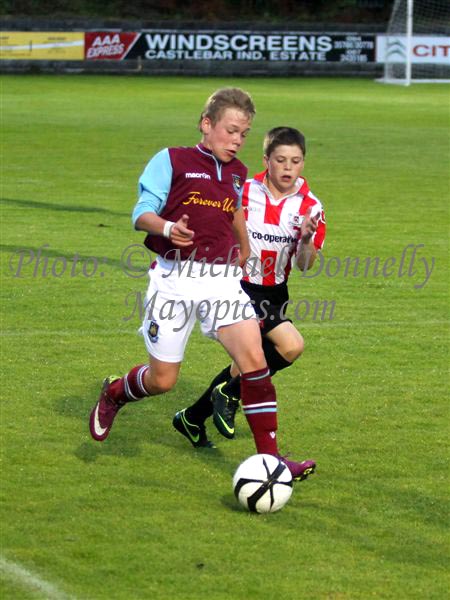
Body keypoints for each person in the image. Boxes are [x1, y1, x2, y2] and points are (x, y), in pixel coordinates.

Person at [89, 90, 315, 481]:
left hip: (222, 282)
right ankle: (115, 393)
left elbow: (235, 213)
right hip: (174, 281)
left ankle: (273, 462)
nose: (237, 140)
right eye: (231, 130)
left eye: (244, 134)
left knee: (255, 363)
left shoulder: (237, 172)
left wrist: (244, 247)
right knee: (163, 380)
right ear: (206, 124)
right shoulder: (171, 159)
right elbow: (141, 212)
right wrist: (166, 227)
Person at [173, 126, 326, 462]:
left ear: (303, 163)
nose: (288, 167)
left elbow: (304, 265)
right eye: (281, 160)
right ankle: (228, 395)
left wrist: (304, 240)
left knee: (246, 361)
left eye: (296, 161)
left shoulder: (311, 207)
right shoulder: (244, 191)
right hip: (236, 284)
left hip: (275, 292)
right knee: (290, 345)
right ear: (266, 160)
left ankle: (194, 416)